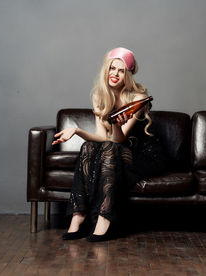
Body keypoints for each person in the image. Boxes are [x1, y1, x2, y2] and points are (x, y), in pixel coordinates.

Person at [52, 47, 167, 242]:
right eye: (112, 68)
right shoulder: (100, 96)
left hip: (143, 154)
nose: (114, 74)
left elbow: (119, 140)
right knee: (88, 147)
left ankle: (104, 219)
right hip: (116, 150)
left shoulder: (137, 97)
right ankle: (78, 217)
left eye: (120, 70)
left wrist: (116, 126)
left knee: (110, 148)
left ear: (127, 75)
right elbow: (100, 136)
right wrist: (77, 131)